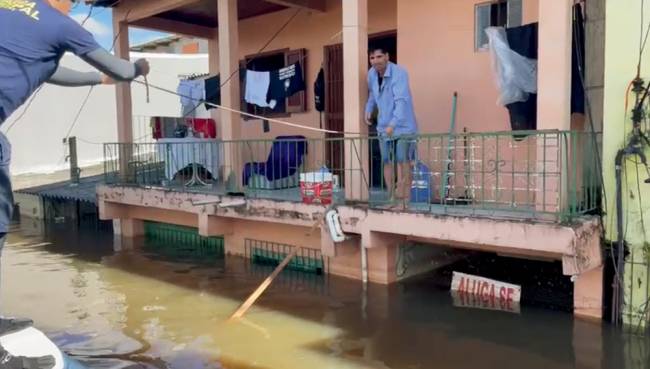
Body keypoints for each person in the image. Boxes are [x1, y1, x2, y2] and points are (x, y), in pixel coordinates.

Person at [0, 1, 149, 366]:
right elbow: (123, 69)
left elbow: (48, 70)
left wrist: (99, 80)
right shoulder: (62, 26)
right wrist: (136, 69)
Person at [364, 47, 418, 209]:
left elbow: (402, 101)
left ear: (387, 56)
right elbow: (373, 95)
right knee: (387, 161)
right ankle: (391, 199)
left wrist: (393, 124)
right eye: (372, 58)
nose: (376, 60)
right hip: (383, 126)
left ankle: (405, 201)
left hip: (402, 126)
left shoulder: (399, 73)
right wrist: (368, 110)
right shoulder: (371, 74)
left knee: (403, 160)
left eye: (379, 56)